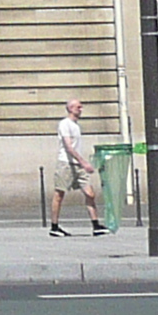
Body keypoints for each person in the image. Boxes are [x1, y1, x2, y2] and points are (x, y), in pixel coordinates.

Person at [50, 98, 107, 236]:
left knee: (90, 193)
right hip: (66, 163)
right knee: (59, 194)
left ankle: (96, 225)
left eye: (81, 107)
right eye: (78, 107)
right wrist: (84, 162)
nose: (80, 109)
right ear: (70, 108)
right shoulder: (65, 124)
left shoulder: (76, 126)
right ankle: (54, 226)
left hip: (78, 164)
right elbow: (68, 146)